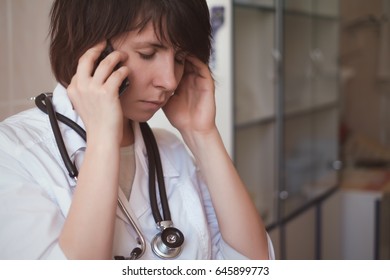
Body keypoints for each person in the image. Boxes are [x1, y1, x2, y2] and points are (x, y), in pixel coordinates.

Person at [0, 0, 274, 260]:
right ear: (91, 51)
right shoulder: (12, 153)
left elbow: (254, 265)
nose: (169, 81)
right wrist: (103, 138)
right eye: (148, 54)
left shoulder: (171, 148)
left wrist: (202, 134)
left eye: (179, 59)